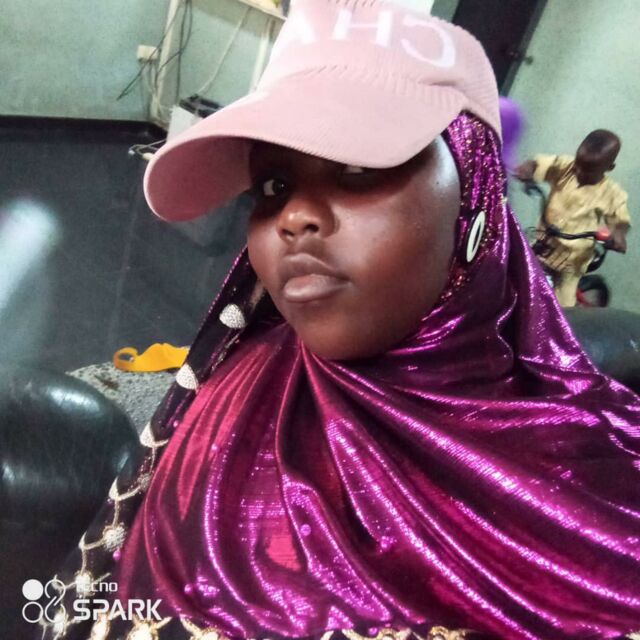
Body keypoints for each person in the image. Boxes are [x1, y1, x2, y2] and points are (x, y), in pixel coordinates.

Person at [40, 1, 640, 639]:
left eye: (359, 169)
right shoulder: (226, 421)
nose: (294, 217)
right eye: (273, 187)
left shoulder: (601, 470)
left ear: (475, 197)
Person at [514, 130, 631, 307]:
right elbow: (543, 163)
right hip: (544, 242)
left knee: (563, 305)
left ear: (609, 168)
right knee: (518, 273)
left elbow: (620, 219)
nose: (579, 171)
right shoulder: (566, 167)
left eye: (588, 171)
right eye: (578, 165)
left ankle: (563, 318)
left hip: (572, 259)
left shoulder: (611, 193)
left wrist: (618, 234)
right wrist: (529, 168)